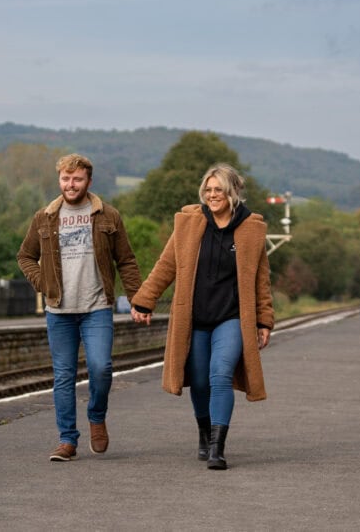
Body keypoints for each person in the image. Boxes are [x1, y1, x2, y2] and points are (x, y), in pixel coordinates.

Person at [130, 164, 274, 470]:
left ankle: (217, 448)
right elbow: (166, 265)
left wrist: (264, 320)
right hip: (194, 319)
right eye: (207, 190)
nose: (212, 196)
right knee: (198, 380)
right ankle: (205, 432)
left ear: (232, 192)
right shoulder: (190, 223)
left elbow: (262, 280)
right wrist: (144, 300)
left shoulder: (251, 229)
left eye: (218, 190)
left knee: (219, 374)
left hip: (231, 318)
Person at [17, 153, 142, 462]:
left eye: (76, 179)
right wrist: (42, 283)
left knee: (101, 367)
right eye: (65, 179)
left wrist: (139, 299)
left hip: (96, 306)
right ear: (59, 180)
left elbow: (125, 260)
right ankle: (67, 440)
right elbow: (25, 256)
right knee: (63, 375)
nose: (70, 185)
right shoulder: (44, 218)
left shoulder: (108, 216)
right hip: (59, 309)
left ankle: (97, 416)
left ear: (88, 181)